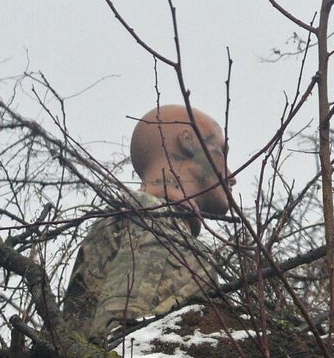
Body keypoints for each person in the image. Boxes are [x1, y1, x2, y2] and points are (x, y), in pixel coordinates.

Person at [60, 105, 231, 345]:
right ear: (188, 141)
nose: (231, 174)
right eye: (221, 152)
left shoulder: (154, 220)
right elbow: (123, 339)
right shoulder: (152, 217)